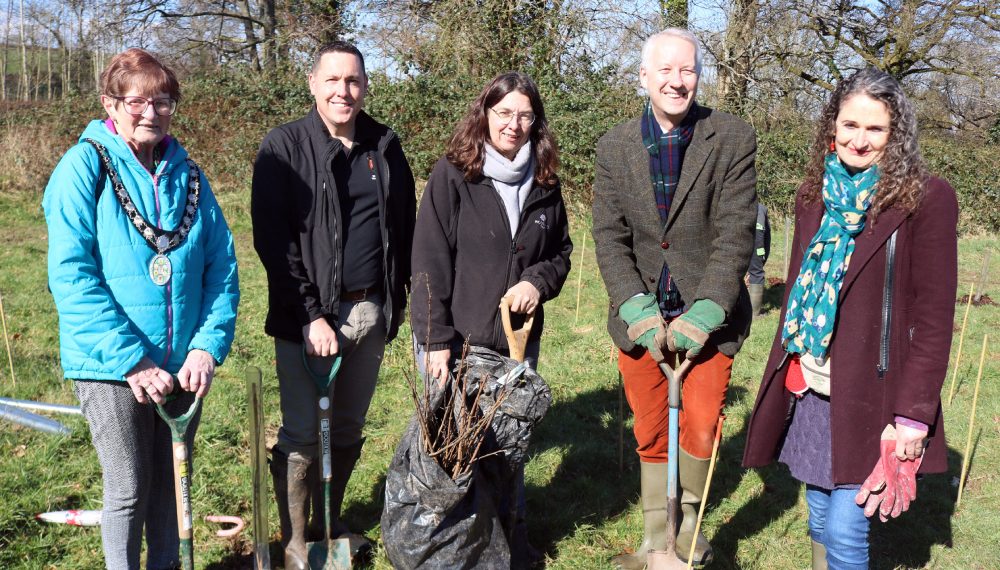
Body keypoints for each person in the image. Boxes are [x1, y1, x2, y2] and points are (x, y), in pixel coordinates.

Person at [742, 67, 958, 569]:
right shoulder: (812, 196)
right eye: (850, 125)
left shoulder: (925, 199)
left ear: (896, 134)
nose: (859, 141)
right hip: (814, 385)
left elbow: (932, 318)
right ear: (832, 127)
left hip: (879, 395)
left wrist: (914, 416)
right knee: (819, 517)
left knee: (843, 528)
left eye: (875, 129)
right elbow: (797, 289)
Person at [42, 48, 240, 569]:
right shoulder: (83, 167)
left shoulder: (190, 175)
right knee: (129, 490)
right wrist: (132, 360)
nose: (151, 111)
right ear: (111, 103)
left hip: (181, 367)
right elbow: (72, 277)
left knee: (172, 487)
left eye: (163, 100)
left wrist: (205, 348)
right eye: (137, 101)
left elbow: (222, 269)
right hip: (112, 367)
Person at [592, 28, 758, 568]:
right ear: (644, 77)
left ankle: (687, 531)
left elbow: (736, 232)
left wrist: (707, 311)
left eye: (687, 69)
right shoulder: (614, 145)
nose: (676, 80)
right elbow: (609, 236)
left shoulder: (731, 137)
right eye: (665, 69)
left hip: (710, 319)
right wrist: (635, 308)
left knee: (703, 423)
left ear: (698, 76)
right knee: (649, 427)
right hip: (641, 317)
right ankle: (654, 535)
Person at [251, 41, 416, 568]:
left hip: (370, 312)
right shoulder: (284, 147)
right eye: (333, 80)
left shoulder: (384, 144)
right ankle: (297, 542)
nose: (344, 90)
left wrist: (396, 301)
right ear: (312, 83)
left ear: (365, 85)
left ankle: (329, 522)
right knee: (302, 432)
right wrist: (310, 315)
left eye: (353, 80)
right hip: (310, 320)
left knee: (345, 430)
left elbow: (404, 229)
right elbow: (274, 242)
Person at [409, 71, 573, 567]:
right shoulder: (454, 175)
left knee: (509, 447)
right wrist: (435, 338)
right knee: (451, 452)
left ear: (536, 121)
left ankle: (506, 542)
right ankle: (451, 548)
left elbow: (561, 252)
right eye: (504, 113)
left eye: (525, 115)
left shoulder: (544, 181)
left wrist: (535, 283)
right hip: (455, 341)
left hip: (515, 342)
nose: (514, 124)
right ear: (485, 114)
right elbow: (428, 260)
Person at [748, 203, 771, 317]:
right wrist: (762, 259)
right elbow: (766, 240)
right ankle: (754, 314)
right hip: (758, 239)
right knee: (756, 272)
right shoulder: (760, 208)